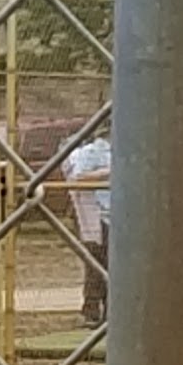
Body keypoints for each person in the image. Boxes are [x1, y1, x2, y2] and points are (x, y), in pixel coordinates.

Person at [64, 128, 111, 326]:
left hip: (112, 216)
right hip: (97, 217)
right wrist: (107, 173)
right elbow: (79, 177)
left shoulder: (119, 151)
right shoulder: (91, 152)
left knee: (109, 264)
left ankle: (108, 311)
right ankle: (91, 311)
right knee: (97, 264)